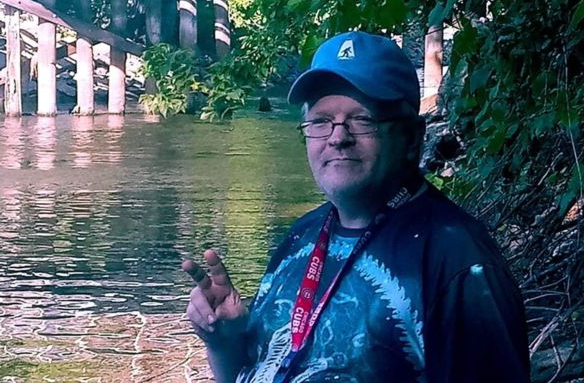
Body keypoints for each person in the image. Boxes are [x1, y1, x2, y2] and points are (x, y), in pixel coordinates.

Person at [183, 31, 530, 383]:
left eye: (363, 119)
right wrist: (223, 344)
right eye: (321, 121)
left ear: (412, 137)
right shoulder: (301, 235)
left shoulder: (460, 264)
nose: (338, 137)